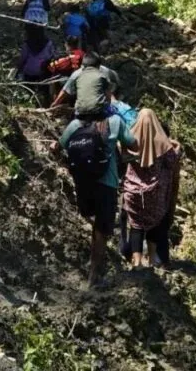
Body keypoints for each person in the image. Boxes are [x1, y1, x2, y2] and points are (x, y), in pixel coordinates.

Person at [57, 104, 139, 288]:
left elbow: (59, 145)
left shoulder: (75, 125)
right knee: (102, 229)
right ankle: (94, 276)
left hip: (83, 183)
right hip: (106, 183)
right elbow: (133, 143)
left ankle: (93, 267)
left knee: (95, 223)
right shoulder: (115, 121)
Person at [121, 110, 181, 268]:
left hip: (133, 192)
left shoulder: (130, 140)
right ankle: (153, 257)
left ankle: (137, 261)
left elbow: (122, 155)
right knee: (156, 222)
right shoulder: (163, 144)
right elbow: (172, 162)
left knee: (136, 225)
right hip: (155, 194)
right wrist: (178, 148)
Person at [49, 52, 120, 116]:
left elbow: (108, 93)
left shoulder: (104, 73)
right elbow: (65, 90)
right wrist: (55, 103)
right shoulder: (77, 74)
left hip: (113, 85)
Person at [17, 28, 56, 106]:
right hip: (43, 71)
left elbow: (22, 59)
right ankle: (45, 102)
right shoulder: (49, 43)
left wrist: (18, 69)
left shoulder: (27, 44)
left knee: (28, 88)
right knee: (45, 89)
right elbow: (52, 56)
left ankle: (29, 101)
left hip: (29, 72)